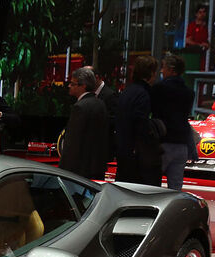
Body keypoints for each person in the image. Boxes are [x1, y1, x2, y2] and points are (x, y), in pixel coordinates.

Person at [116, 55, 162, 186]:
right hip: (137, 156)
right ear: (151, 73)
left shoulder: (128, 91)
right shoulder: (143, 94)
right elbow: (140, 124)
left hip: (123, 150)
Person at [151, 55, 196, 191]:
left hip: (163, 142)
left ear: (171, 70)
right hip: (182, 144)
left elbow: (153, 111)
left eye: (163, 67)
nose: (161, 71)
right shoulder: (189, 93)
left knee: (153, 184)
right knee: (175, 187)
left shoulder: (159, 89)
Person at [58, 67, 110, 180]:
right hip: (98, 167)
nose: (69, 86)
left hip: (80, 170)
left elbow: (72, 143)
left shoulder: (80, 107)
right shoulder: (101, 104)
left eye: (72, 84)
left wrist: (63, 169)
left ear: (83, 86)